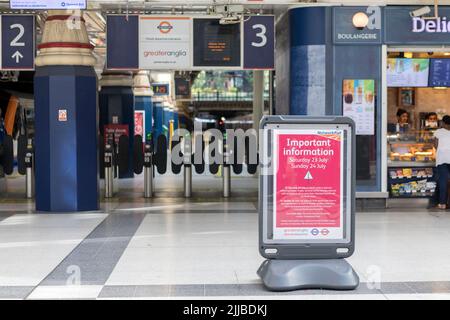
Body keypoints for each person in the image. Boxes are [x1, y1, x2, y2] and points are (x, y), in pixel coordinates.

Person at [434, 115, 450, 209]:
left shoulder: (438, 131)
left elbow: (435, 145)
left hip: (442, 159)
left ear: (443, 123)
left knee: (443, 180)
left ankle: (442, 203)